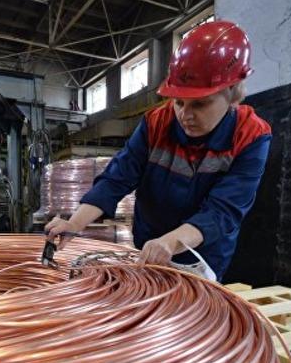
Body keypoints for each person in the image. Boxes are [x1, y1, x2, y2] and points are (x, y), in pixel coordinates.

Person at [45, 20, 272, 281]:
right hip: (149, 247)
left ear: (233, 92)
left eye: (200, 104)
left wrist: (171, 242)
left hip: (203, 257)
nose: (185, 115)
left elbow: (223, 211)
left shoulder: (251, 136)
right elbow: (117, 178)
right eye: (178, 102)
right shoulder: (156, 124)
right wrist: (74, 223)